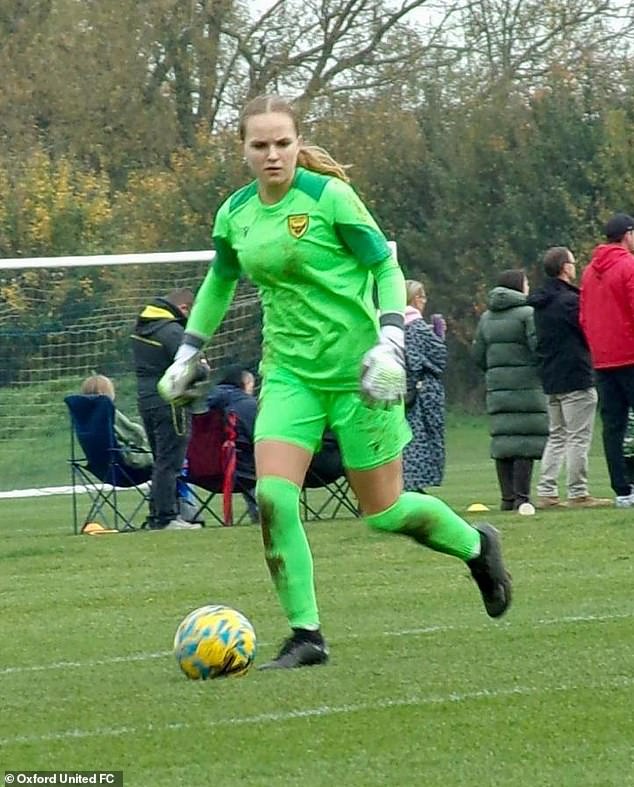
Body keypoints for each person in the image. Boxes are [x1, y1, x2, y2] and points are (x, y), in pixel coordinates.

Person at [158, 93, 511, 669]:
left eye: (282, 143)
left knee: (385, 512)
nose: (272, 154)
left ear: (298, 142)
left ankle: (477, 547)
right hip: (289, 375)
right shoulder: (235, 214)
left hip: (361, 374)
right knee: (273, 496)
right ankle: (307, 636)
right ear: (243, 149)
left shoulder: (331, 197)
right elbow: (220, 279)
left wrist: (390, 340)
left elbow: (384, 265)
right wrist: (188, 351)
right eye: (259, 145)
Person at [527, 247, 609, 509]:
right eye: (572, 262)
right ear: (565, 267)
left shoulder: (541, 303)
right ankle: (578, 491)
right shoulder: (570, 301)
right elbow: (588, 330)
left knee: (557, 435)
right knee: (578, 436)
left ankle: (547, 491)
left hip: (551, 375)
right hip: (575, 373)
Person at [472, 269, 549, 511]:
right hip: (527, 386)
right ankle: (522, 497)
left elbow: (477, 354)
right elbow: (537, 346)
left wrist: (495, 371)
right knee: (524, 442)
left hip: (497, 387)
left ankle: (507, 498)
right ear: (519, 286)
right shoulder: (528, 313)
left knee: (503, 441)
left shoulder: (486, 317)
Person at [131, 287, 203, 530]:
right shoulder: (172, 331)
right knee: (170, 462)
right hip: (171, 401)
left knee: (160, 460)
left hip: (147, 400)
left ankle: (157, 516)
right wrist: (203, 368)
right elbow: (192, 367)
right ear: (183, 308)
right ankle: (166, 517)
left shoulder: (140, 328)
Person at [579, 213, 634, 506]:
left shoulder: (589, 272)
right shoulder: (629, 265)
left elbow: (584, 316)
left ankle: (622, 490)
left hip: (603, 359)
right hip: (630, 354)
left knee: (613, 426)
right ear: (627, 234)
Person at [402, 279, 447, 492]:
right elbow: (437, 358)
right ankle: (415, 485)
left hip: (402, 391)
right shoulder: (417, 326)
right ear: (412, 299)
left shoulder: (393, 325)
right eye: (421, 296)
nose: (424, 301)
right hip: (422, 392)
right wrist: (438, 338)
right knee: (421, 440)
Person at [207, 365, 258, 522]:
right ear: (244, 384)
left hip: (204, 470)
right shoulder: (248, 406)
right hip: (242, 470)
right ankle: (262, 512)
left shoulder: (202, 405)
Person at [79, 374, 153, 469]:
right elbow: (133, 433)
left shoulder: (86, 416)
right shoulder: (109, 413)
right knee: (166, 456)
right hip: (129, 461)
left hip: (100, 464)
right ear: (105, 393)